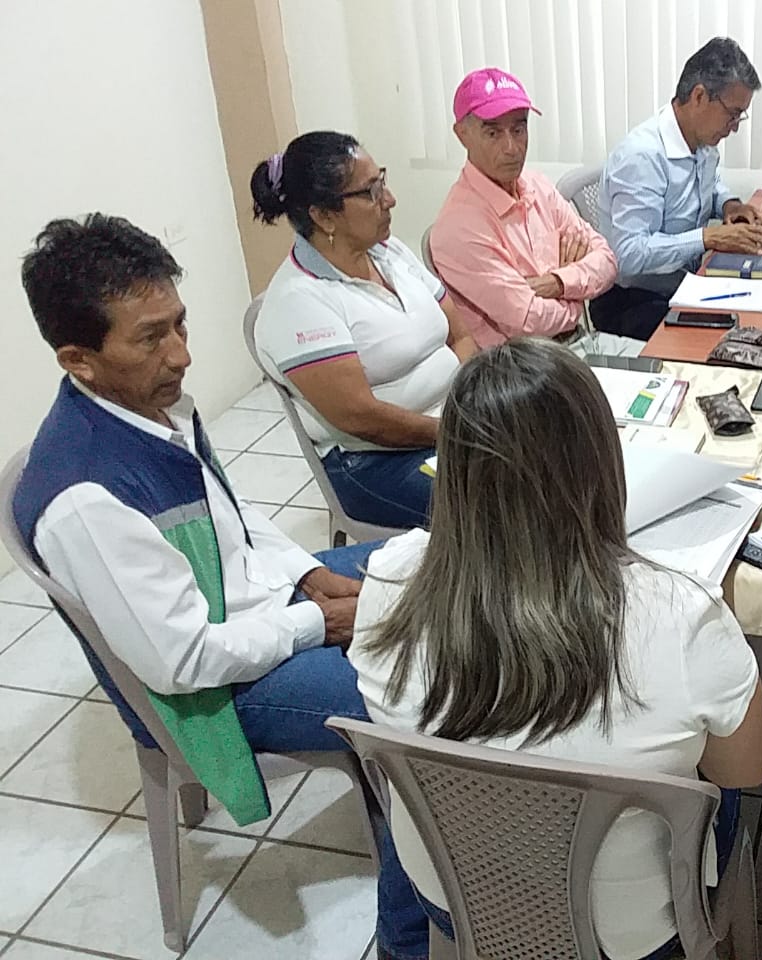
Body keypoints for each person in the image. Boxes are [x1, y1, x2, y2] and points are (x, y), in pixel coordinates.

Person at [11, 215, 432, 960]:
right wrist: (322, 622)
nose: (180, 354)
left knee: (439, 562)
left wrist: (309, 575)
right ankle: (410, 939)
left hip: (258, 610)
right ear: (79, 359)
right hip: (212, 689)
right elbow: (184, 662)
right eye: (151, 338)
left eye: (179, 324)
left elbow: (230, 517)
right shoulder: (84, 496)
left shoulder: (151, 403)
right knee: (429, 693)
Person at [348, 337, 762, 960]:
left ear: (453, 468)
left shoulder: (388, 581)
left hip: (450, 899)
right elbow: (746, 771)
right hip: (628, 933)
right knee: (718, 783)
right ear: (602, 465)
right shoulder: (684, 616)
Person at [250, 131, 477, 530]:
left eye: (382, 181)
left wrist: (473, 408)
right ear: (324, 216)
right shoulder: (298, 302)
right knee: (504, 494)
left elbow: (460, 335)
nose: (389, 199)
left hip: (452, 421)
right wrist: (459, 433)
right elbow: (362, 418)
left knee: (550, 449)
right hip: (374, 462)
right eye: (371, 192)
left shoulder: (389, 252)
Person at [430, 67, 643, 357]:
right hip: (525, 366)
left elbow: (607, 260)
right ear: (462, 134)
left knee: (682, 372)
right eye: (493, 133)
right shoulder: (459, 227)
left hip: (582, 341)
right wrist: (577, 296)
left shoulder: (537, 186)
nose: (511, 148)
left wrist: (557, 282)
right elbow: (530, 322)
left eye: (519, 130)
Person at [595, 37, 762, 339]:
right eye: (732, 113)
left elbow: (709, 184)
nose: (734, 126)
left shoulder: (702, 142)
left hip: (682, 283)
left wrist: (729, 204)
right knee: (732, 340)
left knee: (759, 311)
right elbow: (629, 254)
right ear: (699, 96)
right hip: (632, 301)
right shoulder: (642, 156)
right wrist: (708, 237)